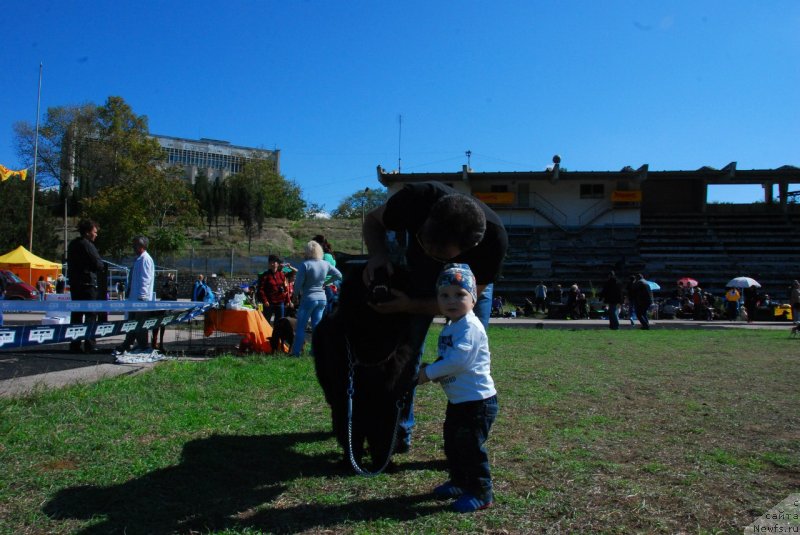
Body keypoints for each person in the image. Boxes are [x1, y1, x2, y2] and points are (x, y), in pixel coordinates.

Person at [362, 181, 508, 452]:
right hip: (417, 279)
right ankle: (398, 432)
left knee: (470, 360)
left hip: (469, 287)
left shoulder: (493, 240)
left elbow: (463, 303)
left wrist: (409, 305)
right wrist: (378, 256)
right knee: (406, 355)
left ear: (469, 247)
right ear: (428, 216)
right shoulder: (416, 198)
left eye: (439, 254)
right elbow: (372, 221)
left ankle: (468, 440)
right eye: (424, 242)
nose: (428, 253)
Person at [417, 264, 498, 513]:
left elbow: (459, 360)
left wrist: (428, 374)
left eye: (460, 294)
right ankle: (460, 481)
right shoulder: (452, 326)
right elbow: (448, 358)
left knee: (471, 448)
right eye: (444, 295)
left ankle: (481, 492)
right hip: (458, 401)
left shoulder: (470, 327)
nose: (451, 300)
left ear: (473, 299)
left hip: (477, 402)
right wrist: (433, 366)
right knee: (453, 444)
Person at [290, 241, 342, 356]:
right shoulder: (325, 264)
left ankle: (296, 352)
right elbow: (339, 275)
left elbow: (297, 284)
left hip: (308, 298)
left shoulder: (305, 265)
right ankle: (315, 352)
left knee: (301, 326)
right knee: (316, 327)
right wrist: (326, 283)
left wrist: (294, 296)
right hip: (322, 298)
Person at [66, 219, 105, 353]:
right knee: (91, 315)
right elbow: (98, 264)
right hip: (88, 285)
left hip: (75, 285)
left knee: (76, 315)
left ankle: (75, 344)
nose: (96, 235)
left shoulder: (72, 244)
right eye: (95, 232)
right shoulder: (87, 245)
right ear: (88, 233)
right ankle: (90, 345)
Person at [115, 236, 155, 354]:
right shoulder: (139, 259)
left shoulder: (145, 259)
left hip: (140, 300)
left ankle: (143, 346)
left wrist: (142, 298)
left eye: (135, 245)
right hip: (133, 299)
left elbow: (145, 279)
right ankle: (127, 343)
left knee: (140, 323)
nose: (133, 247)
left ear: (142, 246)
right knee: (131, 322)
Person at [257, 255, 295, 324]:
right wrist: (265, 300)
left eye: (274, 262)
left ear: (277, 264)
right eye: (270, 262)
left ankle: (277, 331)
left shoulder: (282, 275)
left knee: (280, 322)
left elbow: (286, 288)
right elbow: (261, 289)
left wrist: (287, 300)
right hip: (269, 303)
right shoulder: (265, 275)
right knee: (266, 321)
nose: (272, 264)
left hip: (280, 302)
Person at [152, 272, 178, 351]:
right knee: (159, 326)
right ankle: (157, 343)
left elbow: (172, 297)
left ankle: (158, 344)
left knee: (159, 326)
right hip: (163, 308)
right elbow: (173, 297)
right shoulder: (170, 286)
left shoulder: (170, 286)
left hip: (163, 308)